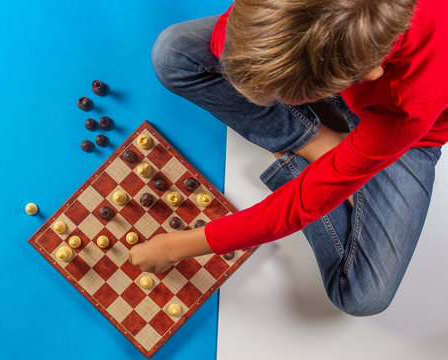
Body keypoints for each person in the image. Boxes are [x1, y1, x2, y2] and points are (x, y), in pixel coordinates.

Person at [129, 0, 448, 316]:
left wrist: (175, 247)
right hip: (327, 57)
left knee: (363, 296)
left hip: (407, 134)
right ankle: (322, 145)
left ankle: (343, 167)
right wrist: (248, 49)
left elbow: (301, 205)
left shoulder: (406, 102)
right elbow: (237, 34)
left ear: (364, 75)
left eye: (282, 97)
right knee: (172, 53)